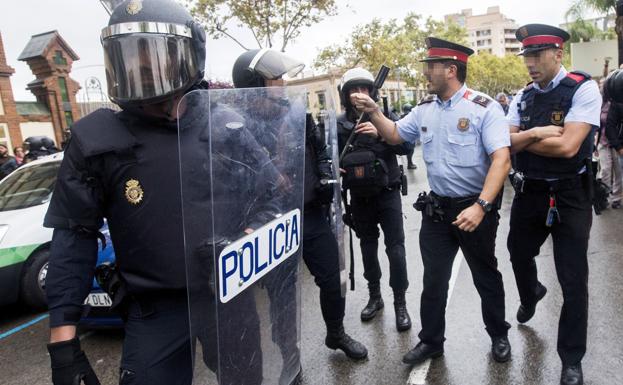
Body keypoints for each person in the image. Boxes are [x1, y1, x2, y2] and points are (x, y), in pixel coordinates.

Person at [43, 1, 276, 384]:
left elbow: (270, 196)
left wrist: (247, 240)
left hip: (227, 296)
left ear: (189, 58)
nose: (141, 69)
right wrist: (63, 343)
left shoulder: (227, 126)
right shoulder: (98, 140)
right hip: (154, 310)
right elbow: (74, 237)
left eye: (153, 56)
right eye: (130, 58)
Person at [349, 37, 512, 365]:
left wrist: (481, 206)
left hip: (475, 209)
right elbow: (395, 135)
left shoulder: (483, 108)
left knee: (485, 275)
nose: (425, 72)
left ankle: (498, 334)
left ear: (451, 70)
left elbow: (502, 160)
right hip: (437, 211)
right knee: (433, 280)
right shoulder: (424, 109)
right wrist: (375, 111)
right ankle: (431, 341)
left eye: (431, 66)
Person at [231, 49, 368, 362]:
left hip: (310, 214)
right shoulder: (240, 126)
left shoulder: (297, 113)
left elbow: (319, 150)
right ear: (254, 82)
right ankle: (289, 355)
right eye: (275, 77)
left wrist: (323, 174)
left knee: (332, 278)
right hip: (273, 221)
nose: (282, 82)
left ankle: (336, 333)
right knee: (282, 294)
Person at [506, 24, 601, 385]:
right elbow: (502, 140)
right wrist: (534, 134)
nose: (530, 63)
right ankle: (531, 294)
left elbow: (567, 147)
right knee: (517, 252)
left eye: (537, 55)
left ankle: (571, 358)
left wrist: (520, 139)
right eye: (526, 56)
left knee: (573, 280)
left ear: (558, 54)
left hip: (570, 195)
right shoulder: (524, 96)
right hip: (530, 192)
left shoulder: (582, 88)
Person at [337, 67, 413, 332]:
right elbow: (329, 157)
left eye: (365, 89)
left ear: (373, 91)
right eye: (353, 90)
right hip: (359, 198)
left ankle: (400, 303)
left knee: (396, 250)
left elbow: (406, 146)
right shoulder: (339, 123)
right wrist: (335, 167)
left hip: (388, 193)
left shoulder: (385, 116)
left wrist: (381, 131)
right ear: (345, 95)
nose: (359, 94)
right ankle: (375, 296)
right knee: (368, 248)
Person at [597, 78, 622, 208]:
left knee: (618, 172)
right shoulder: (600, 103)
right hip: (603, 142)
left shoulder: (617, 103)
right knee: (606, 170)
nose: (601, 88)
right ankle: (604, 197)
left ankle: (616, 199)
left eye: (603, 86)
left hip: (616, 142)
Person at [401, 103, 417, 169]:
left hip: (406, 136)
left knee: (410, 150)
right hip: (409, 136)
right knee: (410, 150)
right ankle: (409, 164)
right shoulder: (408, 115)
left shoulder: (402, 116)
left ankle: (410, 163)